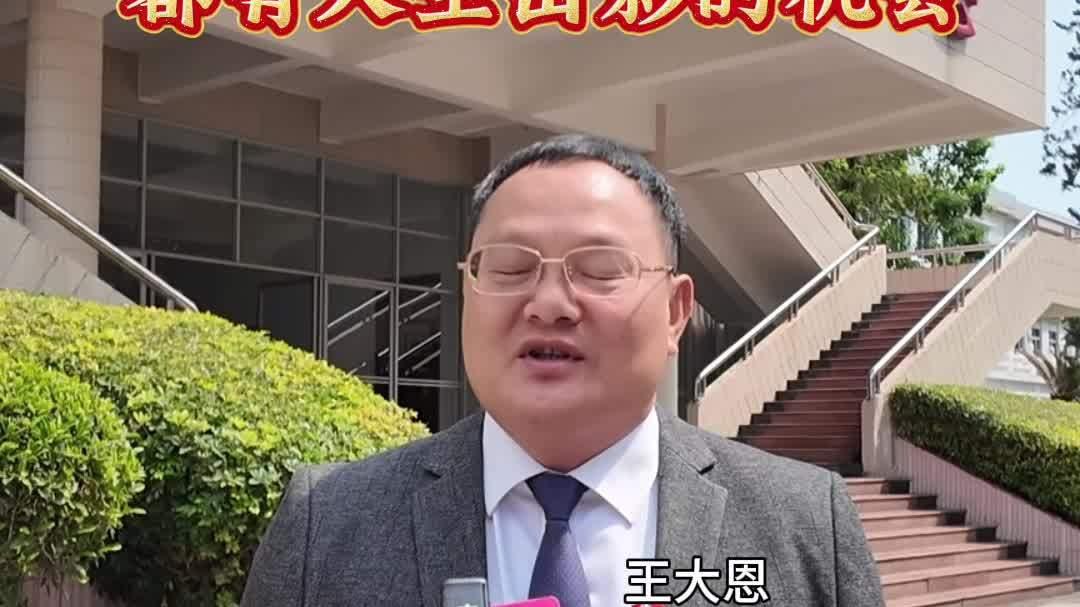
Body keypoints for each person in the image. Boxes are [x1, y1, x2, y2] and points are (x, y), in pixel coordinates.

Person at [239, 134, 886, 607]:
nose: (548, 303)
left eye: (599, 270)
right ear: (467, 292)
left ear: (675, 311)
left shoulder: (805, 524)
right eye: (510, 268)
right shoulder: (329, 522)